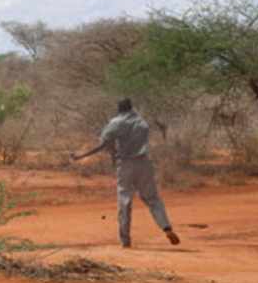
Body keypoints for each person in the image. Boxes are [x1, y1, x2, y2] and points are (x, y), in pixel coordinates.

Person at [70, 98, 180, 248]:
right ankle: (166, 228)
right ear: (131, 108)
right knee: (153, 199)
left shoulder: (116, 122)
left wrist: (81, 156)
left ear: (119, 109)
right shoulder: (142, 122)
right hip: (144, 163)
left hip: (126, 164)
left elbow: (103, 144)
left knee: (125, 201)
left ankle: (125, 240)